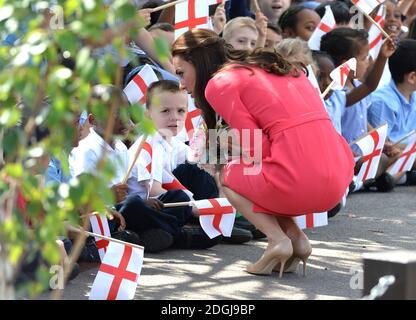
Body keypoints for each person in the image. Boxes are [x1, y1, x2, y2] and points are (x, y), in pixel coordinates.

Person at [172, 29, 354, 277]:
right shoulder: (277, 66)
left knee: (231, 174)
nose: (181, 84)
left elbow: (257, 148)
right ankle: (297, 239)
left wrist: (222, 144)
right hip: (338, 177)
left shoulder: (220, 82)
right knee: (264, 173)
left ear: (197, 62)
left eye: (181, 73)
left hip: (300, 180)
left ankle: (277, 240)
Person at [368, 39, 416, 186]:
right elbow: (384, 146)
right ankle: (393, 177)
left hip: (404, 153)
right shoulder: (383, 102)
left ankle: (401, 176)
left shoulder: (413, 95)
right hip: (389, 157)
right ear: (412, 77)